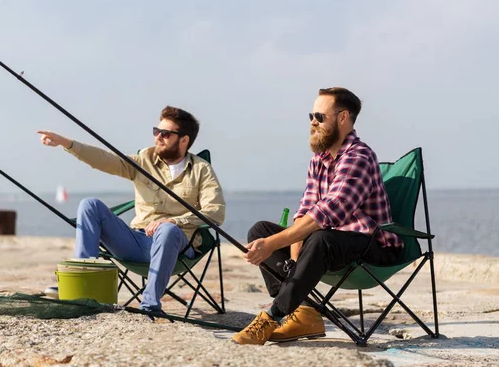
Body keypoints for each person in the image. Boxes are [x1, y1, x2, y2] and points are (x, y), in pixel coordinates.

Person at [232, 87, 403, 345]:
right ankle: (301, 313)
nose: (313, 121)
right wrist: (291, 256)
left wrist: (272, 246)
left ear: (343, 118)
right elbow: (305, 212)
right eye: (311, 115)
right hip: (331, 243)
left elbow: (330, 211)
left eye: (320, 117)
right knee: (261, 231)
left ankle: (272, 316)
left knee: (319, 237)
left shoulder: (359, 156)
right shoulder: (318, 161)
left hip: (373, 246)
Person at [37, 106, 225, 313]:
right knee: (90, 205)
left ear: (184, 140)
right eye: (156, 131)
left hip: (177, 244)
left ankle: (150, 305)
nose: (158, 137)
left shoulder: (201, 169)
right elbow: (107, 160)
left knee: (168, 230)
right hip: (136, 241)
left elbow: (215, 212)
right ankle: (82, 284)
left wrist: (174, 221)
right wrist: (66, 143)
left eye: (165, 134)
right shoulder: (145, 160)